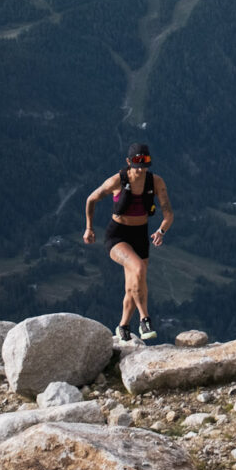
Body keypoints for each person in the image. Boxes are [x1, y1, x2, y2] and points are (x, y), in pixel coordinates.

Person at [84, 142, 173, 342]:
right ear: (128, 162)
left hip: (141, 234)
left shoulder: (156, 182)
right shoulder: (117, 180)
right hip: (118, 235)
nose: (141, 168)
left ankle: (123, 325)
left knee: (134, 283)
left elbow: (169, 215)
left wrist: (161, 230)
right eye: (137, 163)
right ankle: (145, 319)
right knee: (139, 268)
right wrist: (89, 228)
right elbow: (91, 199)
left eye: (146, 163)